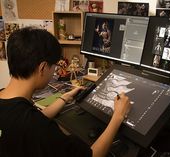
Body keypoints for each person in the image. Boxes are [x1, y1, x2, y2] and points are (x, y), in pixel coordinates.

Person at [0, 27, 131, 157]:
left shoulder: (12, 106)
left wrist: (64, 98)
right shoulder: (38, 129)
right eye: (55, 66)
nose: (55, 71)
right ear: (43, 68)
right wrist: (118, 116)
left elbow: (31, 118)